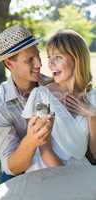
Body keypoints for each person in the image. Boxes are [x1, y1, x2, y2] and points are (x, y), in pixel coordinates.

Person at [0, 25, 59, 183]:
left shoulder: (51, 86)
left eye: (38, 56)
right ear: (9, 64)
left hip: (55, 160)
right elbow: (11, 167)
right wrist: (32, 139)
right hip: (20, 170)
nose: (39, 64)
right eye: (29, 60)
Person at [22, 29, 96, 172]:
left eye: (58, 57)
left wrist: (92, 115)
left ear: (77, 58)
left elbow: (94, 154)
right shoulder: (42, 96)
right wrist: (68, 179)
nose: (50, 64)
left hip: (81, 169)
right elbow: (45, 151)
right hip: (49, 169)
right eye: (49, 57)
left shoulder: (92, 97)